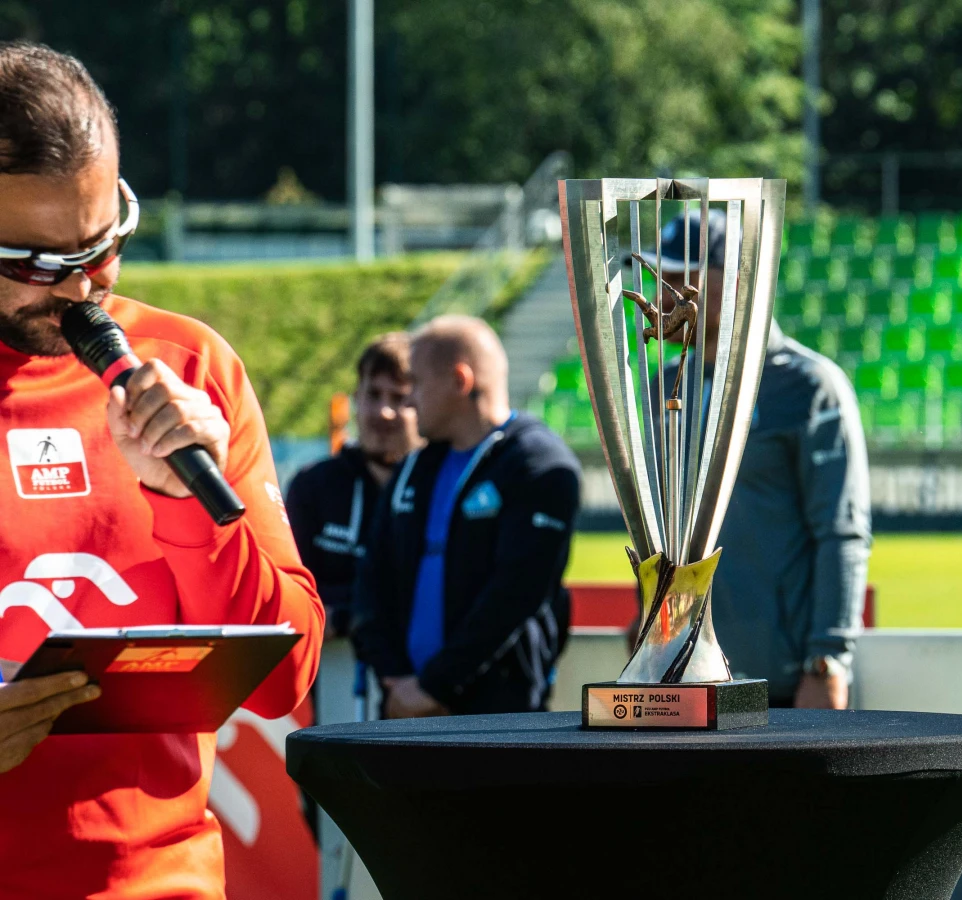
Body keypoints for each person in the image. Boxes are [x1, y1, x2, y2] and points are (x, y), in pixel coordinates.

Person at [0, 42, 323, 898]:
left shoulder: (189, 368)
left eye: (101, 248)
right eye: (33, 266)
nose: (78, 293)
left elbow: (285, 678)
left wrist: (185, 505)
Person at [648, 209, 871, 709]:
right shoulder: (663, 386)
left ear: (735, 280)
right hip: (682, 672)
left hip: (783, 681)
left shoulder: (808, 386)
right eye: (659, 277)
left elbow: (841, 533)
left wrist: (828, 658)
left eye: (681, 277)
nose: (663, 294)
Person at [352, 315, 580, 717]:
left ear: (460, 380)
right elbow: (372, 582)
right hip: (403, 706)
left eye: (416, 383)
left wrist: (435, 686)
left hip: (498, 720)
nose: (409, 401)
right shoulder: (415, 467)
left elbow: (516, 594)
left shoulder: (538, 464)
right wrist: (396, 680)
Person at [286, 332, 420, 638]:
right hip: (328, 664)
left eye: (398, 398)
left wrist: (343, 613)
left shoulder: (441, 487)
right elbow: (291, 595)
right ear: (356, 397)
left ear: (422, 404)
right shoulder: (313, 486)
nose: (384, 411)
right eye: (373, 394)